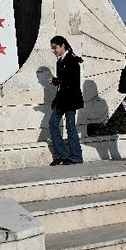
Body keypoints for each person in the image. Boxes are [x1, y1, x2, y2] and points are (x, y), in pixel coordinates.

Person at [48, 35, 84, 165]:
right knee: (53, 123)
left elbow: (71, 80)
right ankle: (61, 154)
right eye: (52, 48)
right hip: (61, 98)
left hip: (70, 99)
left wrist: (56, 80)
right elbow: (62, 82)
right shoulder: (60, 61)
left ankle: (76, 156)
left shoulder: (72, 60)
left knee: (70, 127)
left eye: (55, 48)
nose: (54, 51)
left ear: (62, 45)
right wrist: (56, 82)